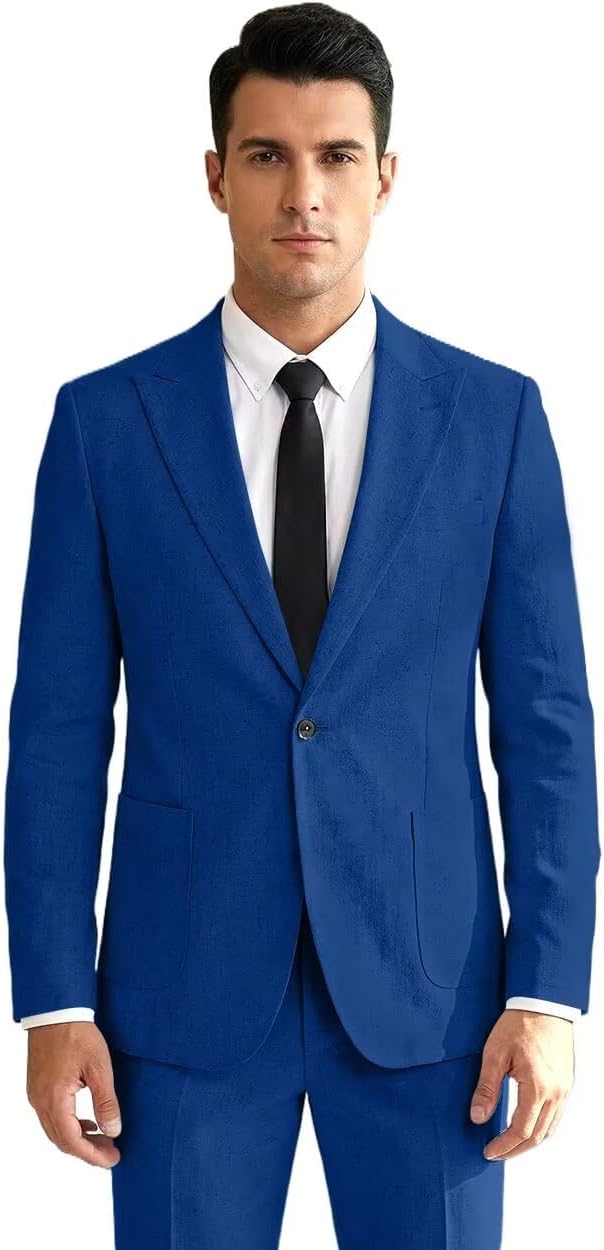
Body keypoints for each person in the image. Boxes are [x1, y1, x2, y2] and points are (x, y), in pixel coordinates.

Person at [4, 4, 599, 1247]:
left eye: (336, 156)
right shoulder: (105, 425)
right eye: (267, 154)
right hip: (177, 993)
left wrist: (548, 988)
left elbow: (547, 725)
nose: (303, 193)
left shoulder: (493, 419)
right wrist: (53, 998)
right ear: (215, 175)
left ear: (386, 177)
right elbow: (54, 732)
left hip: (435, 998)